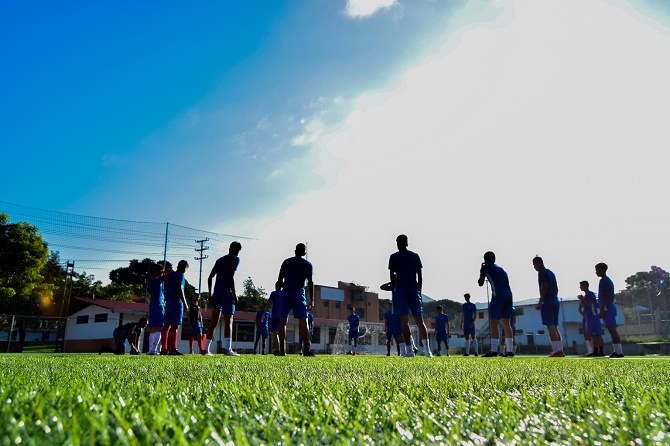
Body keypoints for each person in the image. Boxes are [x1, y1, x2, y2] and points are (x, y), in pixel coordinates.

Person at [389, 234, 431, 358]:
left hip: (401, 291)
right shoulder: (415, 256)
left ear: (397, 244)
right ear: (407, 243)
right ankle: (428, 352)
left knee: (404, 322)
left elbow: (392, 276)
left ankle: (409, 351)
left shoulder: (394, 257)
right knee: (420, 321)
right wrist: (419, 291)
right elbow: (420, 276)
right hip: (414, 290)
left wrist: (396, 288)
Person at [277, 243, 315, 357]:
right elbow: (310, 282)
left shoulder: (286, 262)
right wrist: (311, 300)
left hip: (286, 293)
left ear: (295, 251)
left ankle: (282, 350)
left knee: (283, 321)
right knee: (303, 321)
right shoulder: (307, 264)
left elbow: (279, 281)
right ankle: (307, 349)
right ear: (304, 253)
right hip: (299, 293)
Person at [205, 241, 242, 356]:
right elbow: (230, 276)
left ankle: (206, 349)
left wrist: (210, 294)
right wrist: (234, 293)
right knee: (228, 321)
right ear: (238, 250)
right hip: (227, 292)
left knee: (214, 322)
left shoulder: (219, 260)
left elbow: (210, 277)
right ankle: (228, 349)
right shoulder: (235, 259)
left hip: (217, 292)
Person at [478, 251, 514, 357]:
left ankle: (494, 350)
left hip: (498, 296)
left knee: (494, 323)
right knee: (506, 323)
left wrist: (482, 269)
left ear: (485, 260)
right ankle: (510, 350)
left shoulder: (486, 267)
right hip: (509, 295)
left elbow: (480, 283)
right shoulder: (501, 269)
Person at [596, 263, 623, 358]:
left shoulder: (603, 281)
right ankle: (617, 350)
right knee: (611, 329)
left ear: (602, 270)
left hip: (607, 307)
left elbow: (604, 295)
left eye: (597, 270)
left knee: (612, 328)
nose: (596, 272)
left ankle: (618, 351)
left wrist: (602, 309)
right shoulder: (607, 280)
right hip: (609, 306)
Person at [165, 260, 190, 355]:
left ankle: (165, 348)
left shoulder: (171, 276)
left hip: (169, 301)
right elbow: (180, 289)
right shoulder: (180, 275)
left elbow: (166, 290)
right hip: (176, 301)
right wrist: (185, 303)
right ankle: (173, 349)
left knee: (167, 325)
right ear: (184, 267)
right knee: (175, 325)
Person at [578, 280, 604, 356]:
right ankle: (595, 350)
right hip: (588, 316)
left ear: (585, 286)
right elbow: (580, 308)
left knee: (597, 334)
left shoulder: (590, 294)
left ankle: (601, 350)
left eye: (581, 285)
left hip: (593, 316)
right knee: (592, 334)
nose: (580, 287)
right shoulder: (585, 296)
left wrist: (583, 299)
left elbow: (590, 304)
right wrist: (584, 315)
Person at [147, 264, 168, 355]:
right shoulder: (156, 280)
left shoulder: (151, 281)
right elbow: (168, 274)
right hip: (158, 305)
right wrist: (164, 272)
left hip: (153, 305)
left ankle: (150, 349)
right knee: (159, 327)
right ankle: (153, 350)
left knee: (153, 328)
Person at [381, 282, 405, 356]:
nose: (389, 306)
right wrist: (385, 327)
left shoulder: (396, 311)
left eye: (390, 305)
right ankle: (388, 353)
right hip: (390, 328)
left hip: (396, 327)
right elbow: (386, 320)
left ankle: (399, 353)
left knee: (398, 340)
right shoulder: (388, 313)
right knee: (388, 340)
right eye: (389, 305)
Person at [263, 281, 283, 355]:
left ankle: (278, 349)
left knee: (275, 333)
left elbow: (268, 304)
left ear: (276, 286)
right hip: (282, 315)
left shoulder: (274, 293)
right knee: (282, 332)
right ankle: (282, 349)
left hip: (274, 315)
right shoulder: (284, 293)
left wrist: (264, 314)